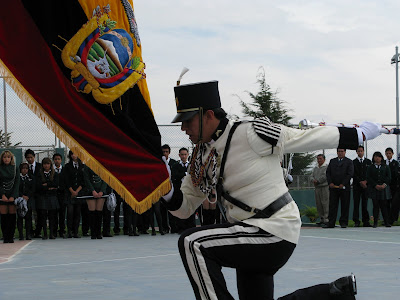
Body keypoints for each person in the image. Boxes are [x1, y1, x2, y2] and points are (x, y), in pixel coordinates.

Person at [161, 79, 371, 299]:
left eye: (188, 120)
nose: (183, 128)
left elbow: (303, 137)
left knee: (193, 243)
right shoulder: (201, 155)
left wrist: (357, 136)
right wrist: (164, 188)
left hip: (274, 229)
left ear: (209, 115)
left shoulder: (250, 132)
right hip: (247, 235)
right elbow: (184, 208)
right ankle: (335, 292)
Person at [324, 148, 354, 228]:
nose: (340, 153)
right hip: (333, 187)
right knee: (332, 205)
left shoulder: (349, 162)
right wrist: (330, 182)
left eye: (342, 151)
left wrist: (343, 183)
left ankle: (343, 222)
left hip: (344, 187)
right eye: (339, 151)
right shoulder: (332, 161)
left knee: (345, 205)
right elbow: (328, 173)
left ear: (345, 152)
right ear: (337, 152)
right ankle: (331, 222)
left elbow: (350, 174)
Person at [170, 147, 195, 233]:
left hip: (190, 191)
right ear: (179, 155)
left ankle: (191, 227)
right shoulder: (175, 165)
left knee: (190, 208)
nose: (184, 156)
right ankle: (180, 228)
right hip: (179, 190)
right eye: (182, 155)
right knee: (181, 208)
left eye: (185, 154)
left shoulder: (192, 165)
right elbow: (175, 176)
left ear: (188, 155)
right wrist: (185, 174)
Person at [35, 157, 59, 240]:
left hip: (52, 197)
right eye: (44, 164)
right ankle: (45, 233)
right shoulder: (39, 174)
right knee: (43, 216)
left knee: (52, 216)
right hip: (42, 197)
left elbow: (56, 184)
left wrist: (47, 185)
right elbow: (38, 186)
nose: (46, 165)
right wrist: (49, 187)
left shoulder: (54, 174)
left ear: (50, 165)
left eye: (48, 164)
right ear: (42, 165)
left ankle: (51, 233)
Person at [64, 150, 86, 238]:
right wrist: (72, 191)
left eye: (76, 153)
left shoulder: (82, 166)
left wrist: (77, 191)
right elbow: (66, 180)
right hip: (70, 193)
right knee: (70, 212)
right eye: (72, 154)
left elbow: (83, 180)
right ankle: (69, 231)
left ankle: (76, 231)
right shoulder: (67, 166)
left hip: (79, 192)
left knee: (77, 212)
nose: (74, 155)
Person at [367, 151, 392, 228]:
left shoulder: (385, 166)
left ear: (381, 158)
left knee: (384, 205)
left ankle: (386, 222)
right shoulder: (370, 167)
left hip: (383, 188)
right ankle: (375, 222)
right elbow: (368, 177)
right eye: (375, 156)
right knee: (375, 206)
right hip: (374, 188)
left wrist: (384, 185)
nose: (377, 158)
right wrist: (375, 185)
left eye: (378, 156)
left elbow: (389, 176)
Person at [0, 150, 20, 243]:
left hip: (12, 194)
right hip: (2, 195)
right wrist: (2, 194)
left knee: (12, 216)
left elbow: (17, 182)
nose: (6, 159)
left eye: (8, 157)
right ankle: (5, 236)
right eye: (4, 157)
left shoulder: (15, 168)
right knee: (4, 216)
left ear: (11, 158)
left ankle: (11, 236)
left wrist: (13, 196)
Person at [84, 167, 107, 239]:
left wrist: (102, 191)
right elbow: (86, 179)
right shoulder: (87, 166)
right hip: (90, 191)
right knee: (92, 212)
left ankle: (98, 232)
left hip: (101, 191)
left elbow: (105, 179)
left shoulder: (102, 166)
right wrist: (92, 190)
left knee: (99, 212)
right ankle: (93, 232)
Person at [352, 146, 372, 227]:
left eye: (361, 151)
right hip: (357, 186)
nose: (360, 152)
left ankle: (366, 221)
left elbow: (370, 173)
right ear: (356, 152)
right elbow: (353, 174)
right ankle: (356, 221)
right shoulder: (353, 162)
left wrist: (365, 181)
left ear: (363, 151)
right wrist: (360, 181)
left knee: (365, 203)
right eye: (358, 151)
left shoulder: (368, 162)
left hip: (366, 186)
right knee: (356, 204)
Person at [160, 144, 177, 234]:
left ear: (169, 152)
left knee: (172, 210)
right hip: (161, 191)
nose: (165, 153)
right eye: (163, 152)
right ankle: (164, 228)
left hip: (172, 190)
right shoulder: (159, 163)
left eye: (166, 152)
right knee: (162, 210)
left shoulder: (174, 163)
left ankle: (173, 227)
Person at [25, 149, 42, 238]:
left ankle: (38, 232)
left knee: (39, 213)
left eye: (31, 157)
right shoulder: (25, 168)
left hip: (39, 194)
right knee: (29, 213)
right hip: (29, 195)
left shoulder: (40, 166)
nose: (30, 159)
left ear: (34, 157)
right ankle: (30, 232)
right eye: (28, 158)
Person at [17, 162, 35, 240]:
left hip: (28, 200)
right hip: (20, 200)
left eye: (26, 168)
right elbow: (16, 188)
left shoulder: (31, 178)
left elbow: (33, 188)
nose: (25, 170)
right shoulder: (17, 178)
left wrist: (28, 196)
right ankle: (21, 234)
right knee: (20, 217)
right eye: (23, 168)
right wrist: (22, 196)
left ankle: (28, 234)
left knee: (28, 218)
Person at [310, 154, 329, 225]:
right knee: (319, 203)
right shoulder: (315, 168)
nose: (319, 160)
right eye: (318, 159)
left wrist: (318, 181)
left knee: (325, 203)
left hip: (324, 187)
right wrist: (313, 181)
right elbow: (311, 176)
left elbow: (325, 176)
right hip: (317, 188)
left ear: (324, 159)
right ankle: (321, 218)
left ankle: (326, 219)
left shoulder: (326, 167)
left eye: (320, 159)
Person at [53, 153, 67, 238]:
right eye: (55, 159)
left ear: (61, 160)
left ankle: (62, 231)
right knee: (54, 214)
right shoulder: (51, 170)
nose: (57, 160)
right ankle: (54, 231)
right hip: (54, 195)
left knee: (62, 214)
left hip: (62, 194)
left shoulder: (64, 170)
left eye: (58, 159)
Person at [384, 147, 398, 223]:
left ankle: (393, 218)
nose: (388, 155)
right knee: (386, 202)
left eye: (390, 153)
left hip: (393, 185)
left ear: (392, 154)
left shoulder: (395, 163)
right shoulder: (383, 163)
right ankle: (387, 218)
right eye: (387, 153)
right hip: (385, 185)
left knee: (394, 202)